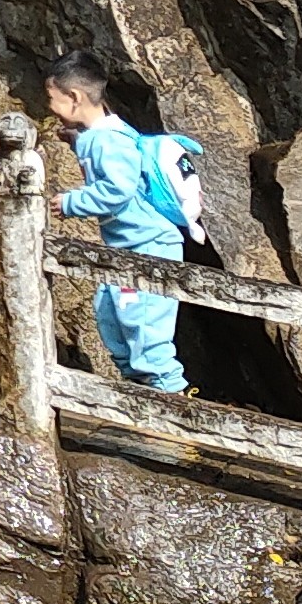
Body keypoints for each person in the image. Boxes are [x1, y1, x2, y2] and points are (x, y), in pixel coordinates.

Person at [45, 52, 190, 397]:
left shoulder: (110, 139)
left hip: (151, 248)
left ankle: (175, 406)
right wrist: (76, 139)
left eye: (51, 98)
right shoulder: (102, 134)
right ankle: (142, 399)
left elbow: (118, 191)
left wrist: (70, 202)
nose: (48, 106)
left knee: (145, 330)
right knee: (113, 319)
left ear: (74, 98)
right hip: (126, 250)